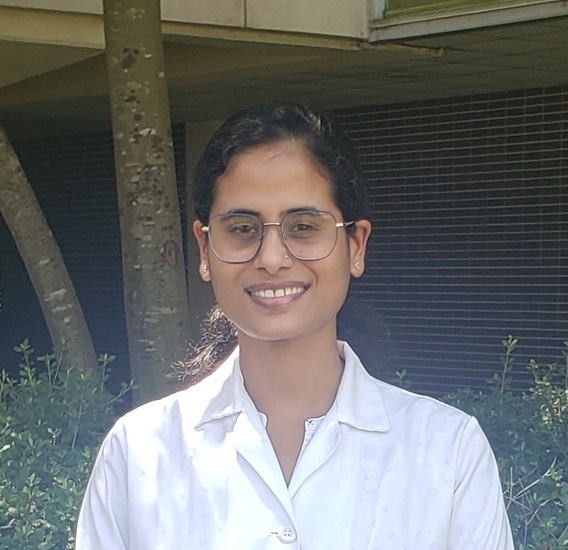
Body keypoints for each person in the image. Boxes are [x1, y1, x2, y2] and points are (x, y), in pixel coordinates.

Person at [76, 103, 514, 549]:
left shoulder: (448, 453)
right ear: (205, 250)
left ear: (356, 245)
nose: (271, 258)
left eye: (303, 226)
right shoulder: (139, 453)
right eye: (242, 228)